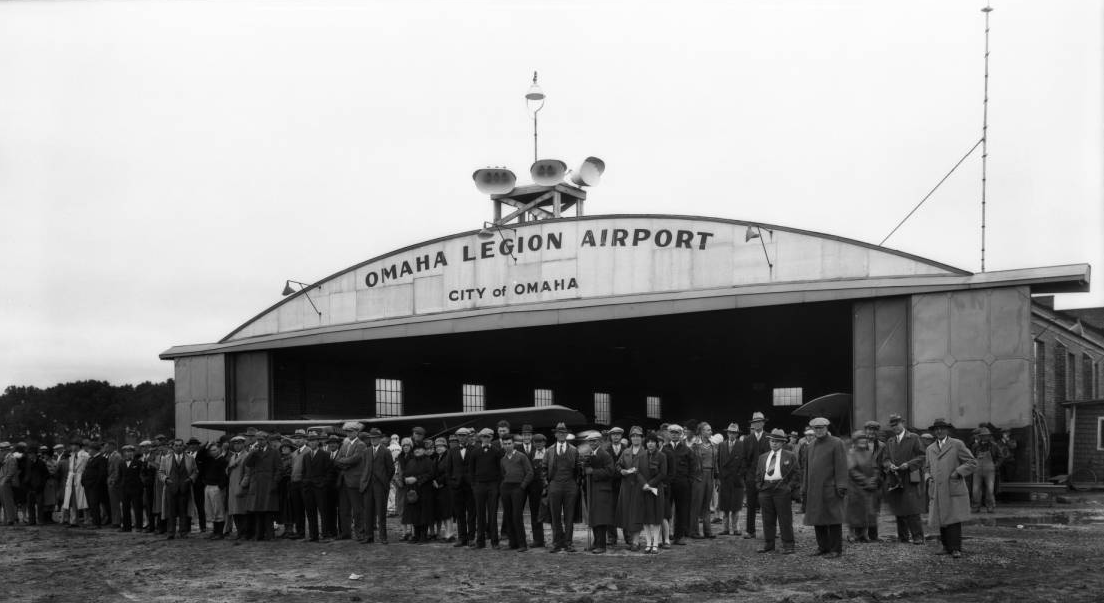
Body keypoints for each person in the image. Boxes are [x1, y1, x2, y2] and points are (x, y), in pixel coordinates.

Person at [925, 418, 978, 558]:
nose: (939, 431)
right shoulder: (930, 449)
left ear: (947, 430)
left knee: (953, 518)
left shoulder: (957, 444)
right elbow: (926, 468)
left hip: (952, 487)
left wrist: (958, 472)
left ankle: (955, 548)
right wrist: (928, 478)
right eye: (936, 429)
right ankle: (945, 546)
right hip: (937, 488)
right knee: (941, 518)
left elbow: (972, 462)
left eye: (942, 428)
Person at [803, 417, 848, 558]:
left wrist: (841, 485)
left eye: (821, 428)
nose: (819, 430)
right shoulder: (810, 446)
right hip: (814, 489)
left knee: (833, 520)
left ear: (827, 428)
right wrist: (804, 487)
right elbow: (807, 469)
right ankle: (823, 547)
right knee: (818, 519)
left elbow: (841, 465)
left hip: (831, 488)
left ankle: (836, 550)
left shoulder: (837, 443)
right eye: (816, 428)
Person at [882, 414, 926, 545]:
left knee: (912, 508)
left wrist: (909, 464)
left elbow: (922, 456)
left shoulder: (913, 438)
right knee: (899, 507)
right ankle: (903, 537)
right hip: (895, 478)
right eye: (892, 425)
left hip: (910, 477)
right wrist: (890, 465)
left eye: (897, 424)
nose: (895, 427)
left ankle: (918, 537)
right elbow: (885, 459)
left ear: (903, 423)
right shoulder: (890, 442)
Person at [756, 429, 800, 554]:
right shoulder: (763, 457)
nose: (774, 443)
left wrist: (789, 487)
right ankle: (769, 544)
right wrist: (759, 486)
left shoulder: (789, 455)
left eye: (777, 441)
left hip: (781, 489)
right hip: (765, 489)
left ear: (782, 443)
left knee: (784, 518)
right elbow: (758, 473)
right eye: (772, 441)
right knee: (767, 519)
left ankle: (788, 545)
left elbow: (797, 473)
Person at [579, 432, 615, 554]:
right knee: (593, 516)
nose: (592, 443)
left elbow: (610, 472)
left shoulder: (605, 455)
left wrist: (593, 471)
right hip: (591, 489)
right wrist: (584, 468)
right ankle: (596, 543)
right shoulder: (590, 455)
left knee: (600, 517)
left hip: (602, 490)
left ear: (599, 441)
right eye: (590, 441)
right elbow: (586, 471)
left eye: (594, 441)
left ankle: (601, 545)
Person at [546, 422, 579, 552]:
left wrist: (576, 484)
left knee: (569, 516)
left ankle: (568, 543)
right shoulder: (549, 451)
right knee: (555, 516)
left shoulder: (574, 450)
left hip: (570, 485)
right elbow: (543, 468)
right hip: (554, 485)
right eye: (559, 432)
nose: (561, 435)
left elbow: (578, 469)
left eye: (564, 433)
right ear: (555, 434)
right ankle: (556, 543)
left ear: (567, 434)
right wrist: (547, 485)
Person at [242, 432, 282, 541]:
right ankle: (258, 534)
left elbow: (279, 468)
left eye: (262, 440)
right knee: (258, 511)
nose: (260, 442)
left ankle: (270, 535)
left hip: (269, 484)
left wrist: (275, 482)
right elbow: (247, 463)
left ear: (266, 440)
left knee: (268, 511)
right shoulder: (255, 453)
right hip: (257, 485)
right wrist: (252, 452)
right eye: (258, 440)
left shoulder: (274, 452)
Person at [499, 432, 534, 551]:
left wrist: (522, 486)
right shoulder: (503, 460)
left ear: (513, 444)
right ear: (502, 445)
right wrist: (503, 486)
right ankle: (512, 543)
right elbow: (503, 474)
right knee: (507, 516)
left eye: (509, 443)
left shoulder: (521, 456)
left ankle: (522, 544)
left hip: (518, 488)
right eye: (505, 444)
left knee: (517, 516)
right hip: (506, 488)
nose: (507, 446)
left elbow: (530, 472)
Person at [334, 422, 368, 541]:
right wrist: (345, 462)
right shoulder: (344, 445)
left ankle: (360, 533)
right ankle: (345, 532)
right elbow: (337, 460)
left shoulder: (361, 445)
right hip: (344, 481)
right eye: (348, 432)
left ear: (357, 432)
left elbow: (355, 459)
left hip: (354, 481)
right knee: (344, 509)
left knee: (357, 509)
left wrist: (343, 462)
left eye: (351, 431)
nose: (349, 433)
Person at [360, 428, 395, 544]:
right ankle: (369, 536)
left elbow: (391, 469)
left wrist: (384, 481)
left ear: (380, 439)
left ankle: (383, 537)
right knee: (368, 512)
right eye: (371, 438)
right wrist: (364, 481)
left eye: (375, 438)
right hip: (368, 485)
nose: (373, 440)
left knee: (381, 513)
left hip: (380, 486)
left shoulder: (386, 451)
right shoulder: (366, 451)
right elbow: (364, 467)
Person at [469, 428, 503, 548]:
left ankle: (494, 542)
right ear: (480, 438)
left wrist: (497, 485)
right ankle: (480, 541)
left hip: (493, 485)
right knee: (480, 513)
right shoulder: (475, 452)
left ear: (491, 438)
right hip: (479, 486)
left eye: (488, 437)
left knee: (493, 514)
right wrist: (474, 485)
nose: (486, 438)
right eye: (483, 436)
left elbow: (500, 470)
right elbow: (471, 470)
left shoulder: (497, 451)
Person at [740, 412, 771, 540]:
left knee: (768, 505)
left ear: (763, 423)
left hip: (767, 476)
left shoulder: (769, 437)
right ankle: (750, 530)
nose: (757, 424)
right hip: (751, 476)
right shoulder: (747, 439)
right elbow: (744, 458)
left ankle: (770, 530)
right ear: (752, 424)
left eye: (759, 422)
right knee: (751, 504)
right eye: (754, 422)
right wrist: (746, 475)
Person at [159, 438, 198, 539]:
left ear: (183, 446)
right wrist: (166, 479)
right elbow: (161, 472)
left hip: (184, 488)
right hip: (170, 488)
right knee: (170, 512)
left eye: (180, 445)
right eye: (176, 445)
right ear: (173, 446)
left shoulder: (190, 458)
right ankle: (171, 532)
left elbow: (195, 471)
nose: (178, 447)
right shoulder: (166, 458)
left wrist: (190, 479)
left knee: (183, 512)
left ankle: (183, 532)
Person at [845, 431, 880, 543]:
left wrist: (873, 479)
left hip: (868, 488)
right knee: (854, 512)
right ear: (855, 441)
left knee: (867, 511)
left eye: (864, 439)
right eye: (860, 439)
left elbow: (875, 468)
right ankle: (851, 534)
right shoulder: (851, 454)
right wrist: (866, 481)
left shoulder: (869, 454)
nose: (863, 441)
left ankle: (864, 534)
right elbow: (852, 470)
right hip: (855, 487)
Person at [446, 427, 476, 547]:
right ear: (457, 437)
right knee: (459, 513)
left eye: (464, 435)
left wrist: (474, 483)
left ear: (468, 436)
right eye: (459, 435)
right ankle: (462, 538)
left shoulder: (474, 449)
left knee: (472, 513)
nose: (462, 438)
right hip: (456, 486)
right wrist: (451, 484)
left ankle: (471, 537)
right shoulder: (452, 451)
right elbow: (448, 470)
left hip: (470, 487)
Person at [401, 441, 435, 543]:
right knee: (414, 514)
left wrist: (417, 479)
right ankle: (416, 535)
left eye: (419, 449)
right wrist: (405, 479)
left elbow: (430, 474)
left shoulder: (428, 461)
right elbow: (405, 473)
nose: (417, 451)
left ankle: (423, 536)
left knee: (423, 514)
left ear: (424, 450)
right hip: (413, 491)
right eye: (415, 449)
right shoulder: (411, 461)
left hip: (425, 491)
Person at [301, 433, 333, 542]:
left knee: (323, 511)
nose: (312, 443)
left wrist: (323, 484)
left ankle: (325, 534)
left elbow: (329, 472)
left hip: (320, 488)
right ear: (308, 443)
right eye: (310, 441)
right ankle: (313, 535)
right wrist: (304, 483)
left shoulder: (325, 454)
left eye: (314, 441)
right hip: (308, 488)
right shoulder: (306, 456)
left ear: (318, 442)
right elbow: (303, 472)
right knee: (310, 512)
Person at [519, 427, 546, 548]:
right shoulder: (530, 455)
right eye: (536, 442)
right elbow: (528, 471)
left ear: (544, 442)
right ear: (533, 443)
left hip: (549, 488)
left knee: (553, 514)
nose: (538, 444)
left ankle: (558, 539)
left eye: (541, 442)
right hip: (534, 490)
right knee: (535, 514)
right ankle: (538, 540)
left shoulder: (550, 452)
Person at [689, 422, 717, 539]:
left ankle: (707, 531)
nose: (710, 432)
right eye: (707, 430)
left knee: (707, 504)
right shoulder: (694, 446)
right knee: (696, 504)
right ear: (701, 432)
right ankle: (694, 532)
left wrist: (716, 477)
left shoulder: (713, 446)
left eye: (710, 430)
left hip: (710, 475)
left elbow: (716, 464)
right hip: (698, 476)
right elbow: (690, 464)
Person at [716, 423, 745, 536]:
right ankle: (725, 528)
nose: (732, 434)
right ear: (727, 433)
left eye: (734, 433)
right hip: (725, 479)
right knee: (725, 505)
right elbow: (718, 461)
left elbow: (744, 462)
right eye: (730, 432)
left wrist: (740, 474)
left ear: (737, 434)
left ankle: (736, 528)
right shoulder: (721, 445)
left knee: (736, 506)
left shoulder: (742, 445)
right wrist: (719, 477)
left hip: (736, 480)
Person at [970, 427, 1002, 513]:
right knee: (975, 490)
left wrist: (995, 466)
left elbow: (1000, 457)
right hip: (977, 470)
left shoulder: (994, 445)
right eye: (983, 436)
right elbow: (971, 457)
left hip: (990, 470)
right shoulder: (975, 446)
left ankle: (990, 506)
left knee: (990, 489)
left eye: (986, 436)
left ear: (989, 436)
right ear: (980, 436)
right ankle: (975, 507)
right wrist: (973, 465)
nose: (985, 437)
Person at [226, 435, 252, 539]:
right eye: (235, 444)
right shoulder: (233, 457)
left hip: (241, 487)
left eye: (239, 443)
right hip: (232, 487)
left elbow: (248, 473)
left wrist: (242, 485)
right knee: (235, 511)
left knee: (243, 511)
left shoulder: (247, 456)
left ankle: (245, 533)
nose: (237, 446)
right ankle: (240, 532)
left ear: (243, 444)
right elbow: (228, 471)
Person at [201, 442, 229, 539]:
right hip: (208, 486)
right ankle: (215, 531)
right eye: (211, 450)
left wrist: (220, 486)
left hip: (217, 487)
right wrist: (206, 446)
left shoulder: (223, 461)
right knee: (211, 510)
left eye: (215, 450)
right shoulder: (210, 460)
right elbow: (201, 456)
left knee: (218, 510)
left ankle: (220, 532)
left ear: (220, 450)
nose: (213, 452)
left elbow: (225, 476)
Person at [603, 426, 626, 546]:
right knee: (610, 511)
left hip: (624, 484)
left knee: (625, 510)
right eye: (613, 434)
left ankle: (628, 536)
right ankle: (612, 537)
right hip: (610, 484)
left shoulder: (627, 449)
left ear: (621, 436)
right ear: (610, 436)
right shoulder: (605, 450)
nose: (616, 436)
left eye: (618, 434)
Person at [82, 441, 109, 529]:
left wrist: (96, 484)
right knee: (90, 504)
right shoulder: (91, 459)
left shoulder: (101, 459)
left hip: (94, 486)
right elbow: (86, 471)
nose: (88, 451)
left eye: (89, 449)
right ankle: (94, 521)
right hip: (87, 485)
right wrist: (83, 481)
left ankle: (97, 523)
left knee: (94, 504)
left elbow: (102, 474)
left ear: (94, 450)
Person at [119, 444, 145, 532]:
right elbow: (120, 476)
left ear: (133, 453)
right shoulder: (121, 463)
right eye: (126, 452)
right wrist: (121, 486)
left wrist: (140, 488)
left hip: (136, 489)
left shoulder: (138, 463)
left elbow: (141, 475)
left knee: (137, 508)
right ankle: (126, 527)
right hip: (125, 489)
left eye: (130, 452)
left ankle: (139, 526)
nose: (128, 453)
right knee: (125, 508)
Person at [21, 447, 48, 525]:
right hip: (30, 487)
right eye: (29, 454)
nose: (29, 455)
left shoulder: (41, 463)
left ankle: (40, 520)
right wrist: (26, 483)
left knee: (40, 505)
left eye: (31, 453)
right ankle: (31, 520)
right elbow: (26, 474)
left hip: (39, 487)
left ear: (35, 454)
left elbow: (46, 475)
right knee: (30, 505)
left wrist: (42, 484)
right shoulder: (28, 463)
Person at [104, 441, 124, 529]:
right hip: (110, 481)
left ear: (112, 446)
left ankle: (117, 521)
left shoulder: (116, 456)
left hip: (114, 483)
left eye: (107, 447)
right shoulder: (111, 455)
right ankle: (115, 520)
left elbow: (117, 470)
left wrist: (114, 481)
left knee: (115, 502)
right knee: (113, 503)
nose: (105, 449)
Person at [0, 442, 19, 524]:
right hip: (3, 482)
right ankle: (6, 519)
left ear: (7, 450)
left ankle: (10, 519)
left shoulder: (11, 458)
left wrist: (4, 481)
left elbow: (11, 472)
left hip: (8, 482)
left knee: (8, 501)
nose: (1, 452)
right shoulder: (6, 458)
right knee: (4, 501)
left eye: (2, 450)